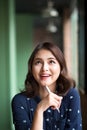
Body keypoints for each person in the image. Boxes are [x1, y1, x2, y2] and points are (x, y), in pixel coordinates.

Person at [11, 41, 82, 130]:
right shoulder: (19, 101)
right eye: (38, 62)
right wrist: (39, 110)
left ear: (61, 67)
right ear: (31, 68)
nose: (44, 68)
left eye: (51, 61)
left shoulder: (71, 95)